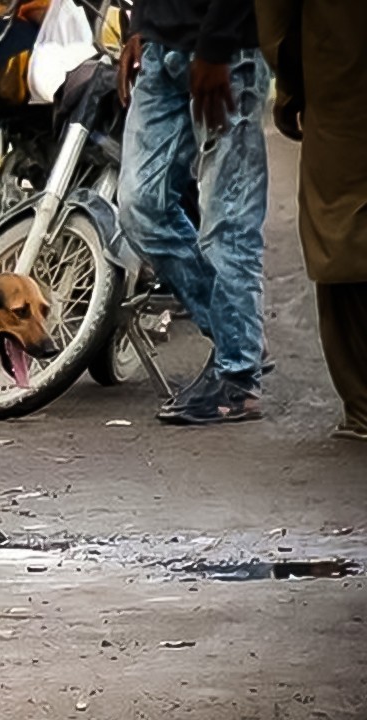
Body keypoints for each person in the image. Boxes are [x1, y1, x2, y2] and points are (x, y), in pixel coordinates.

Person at [116, 0, 271, 425]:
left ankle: (237, 379)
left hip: (227, 51)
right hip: (160, 47)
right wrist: (139, 24)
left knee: (227, 220)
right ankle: (239, 334)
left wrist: (217, 44)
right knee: (139, 205)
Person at [257, 0, 367, 442]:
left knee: (340, 233)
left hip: (342, 87)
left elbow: (277, 27)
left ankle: (363, 404)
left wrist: (292, 93)